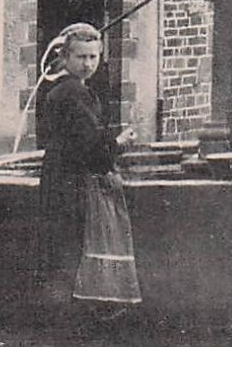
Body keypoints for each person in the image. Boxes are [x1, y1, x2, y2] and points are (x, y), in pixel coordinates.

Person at [37, 23, 140, 309]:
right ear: (66, 58)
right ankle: (72, 316)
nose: (88, 64)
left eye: (93, 57)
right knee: (75, 247)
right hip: (73, 183)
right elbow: (90, 149)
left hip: (58, 176)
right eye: (81, 57)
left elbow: (82, 137)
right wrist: (118, 143)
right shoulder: (74, 93)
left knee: (62, 247)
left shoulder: (63, 89)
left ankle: (61, 312)